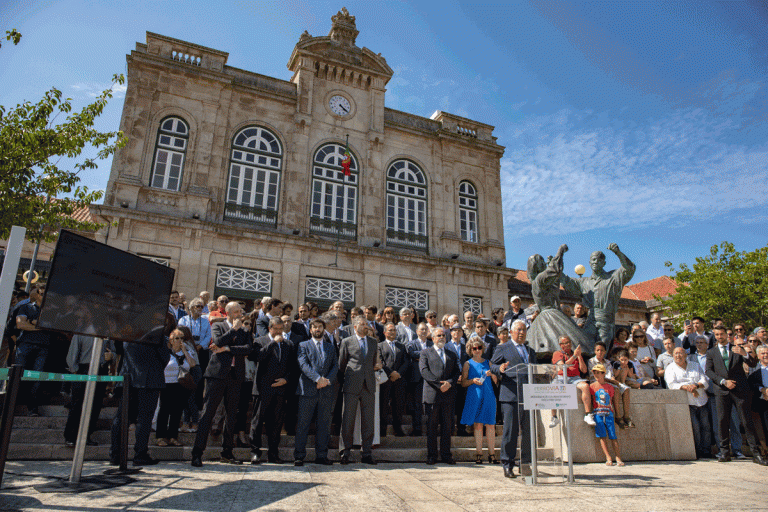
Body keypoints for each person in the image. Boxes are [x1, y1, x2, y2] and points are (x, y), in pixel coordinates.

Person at [191, 301, 252, 467]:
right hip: (217, 375)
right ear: (230, 313)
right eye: (238, 311)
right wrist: (233, 330)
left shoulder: (245, 331)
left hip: (235, 375)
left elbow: (248, 349)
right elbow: (217, 341)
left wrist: (228, 349)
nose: (241, 314)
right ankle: (197, 452)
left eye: (241, 311)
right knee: (208, 412)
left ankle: (227, 452)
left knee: (231, 414)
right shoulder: (219, 326)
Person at [110, 318, 171, 466]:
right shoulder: (157, 336)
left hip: (129, 380)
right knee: (144, 419)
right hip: (149, 381)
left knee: (121, 418)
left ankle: (115, 454)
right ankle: (140, 454)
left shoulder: (129, 334)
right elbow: (165, 358)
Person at [705, 325, 766, 465]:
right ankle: (725, 453)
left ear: (727, 335)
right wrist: (723, 382)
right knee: (722, 421)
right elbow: (709, 371)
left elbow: (752, 363)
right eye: (717, 335)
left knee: (746, 421)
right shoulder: (711, 352)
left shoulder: (737, 348)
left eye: (722, 334)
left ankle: (756, 454)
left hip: (740, 390)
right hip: (722, 390)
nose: (719, 337)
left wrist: (744, 353)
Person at [560, 243, 636, 351]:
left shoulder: (613, 278)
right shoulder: (584, 282)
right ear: (590, 263)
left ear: (604, 263)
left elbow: (629, 268)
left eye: (599, 260)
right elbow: (567, 281)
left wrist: (618, 253)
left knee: (601, 351)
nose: (595, 262)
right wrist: (554, 267)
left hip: (606, 320)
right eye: (593, 260)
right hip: (590, 320)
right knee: (584, 346)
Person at [490, 320, 537, 478]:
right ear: (511, 332)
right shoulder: (503, 348)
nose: (522, 333)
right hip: (511, 395)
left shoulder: (530, 351)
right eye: (519, 330)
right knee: (510, 432)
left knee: (528, 432)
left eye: (524, 330)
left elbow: (535, 371)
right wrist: (500, 369)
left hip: (528, 396)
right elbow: (492, 366)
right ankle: (507, 464)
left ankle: (525, 463)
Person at [526, 244, 591, 353]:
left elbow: (556, 274)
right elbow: (554, 270)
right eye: (541, 262)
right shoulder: (539, 279)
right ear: (536, 266)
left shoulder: (543, 280)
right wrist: (560, 252)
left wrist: (555, 261)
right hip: (549, 315)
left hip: (555, 313)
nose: (544, 264)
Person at [249, 316, 293, 464]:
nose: (279, 332)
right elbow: (258, 357)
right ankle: (255, 452)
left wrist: (286, 379)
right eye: (277, 329)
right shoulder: (259, 341)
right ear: (270, 328)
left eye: (282, 329)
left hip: (280, 390)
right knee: (257, 422)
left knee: (276, 424)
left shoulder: (288, 344)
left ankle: (273, 453)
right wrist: (273, 343)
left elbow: (292, 366)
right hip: (262, 390)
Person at [294, 318, 338, 466]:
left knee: (324, 425)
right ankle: (299, 455)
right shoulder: (303, 345)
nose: (317, 329)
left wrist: (326, 381)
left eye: (320, 327)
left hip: (326, 391)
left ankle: (321, 455)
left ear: (324, 330)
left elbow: (335, 366)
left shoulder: (330, 347)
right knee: (303, 424)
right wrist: (318, 379)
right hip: (307, 390)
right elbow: (303, 365)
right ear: (310, 330)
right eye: (315, 327)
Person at [338, 317, 381, 464]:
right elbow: (342, 364)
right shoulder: (347, 341)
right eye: (362, 324)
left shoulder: (373, 342)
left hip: (368, 385)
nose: (366, 326)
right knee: (348, 419)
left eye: (366, 324)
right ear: (355, 327)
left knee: (368, 420)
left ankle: (367, 453)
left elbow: (374, 362)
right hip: (351, 384)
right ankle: (345, 452)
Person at [420, 327, 459, 465]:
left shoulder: (452, 354)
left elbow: (456, 372)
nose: (442, 337)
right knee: (431, 426)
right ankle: (432, 455)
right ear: (433, 338)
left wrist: (449, 383)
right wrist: (439, 385)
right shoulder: (426, 353)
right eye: (439, 335)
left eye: (443, 335)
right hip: (432, 395)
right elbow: (424, 371)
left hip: (448, 395)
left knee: (447, 426)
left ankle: (446, 455)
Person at [64, 335, 112, 447]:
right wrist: (75, 371)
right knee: (77, 404)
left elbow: (113, 352)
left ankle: (86, 436)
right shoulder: (81, 332)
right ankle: (70, 436)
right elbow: (72, 356)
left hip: (101, 370)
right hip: (83, 369)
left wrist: (111, 356)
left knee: (95, 406)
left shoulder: (107, 334)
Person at [665, 347, 711, 459]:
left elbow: (705, 380)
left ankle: (706, 451)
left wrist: (695, 386)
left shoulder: (694, 365)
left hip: (701, 400)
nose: (678, 355)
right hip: (686, 402)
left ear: (685, 355)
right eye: (675, 353)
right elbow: (671, 385)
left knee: (706, 426)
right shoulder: (670, 368)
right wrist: (687, 387)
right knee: (694, 427)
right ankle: (697, 451)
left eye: (681, 353)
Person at [156, 329, 197, 447]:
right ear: (171, 340)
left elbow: (193, 364)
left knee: (177, 411)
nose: (180, 341)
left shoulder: (188, 351)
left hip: (181, 385)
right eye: (177, 338)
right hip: (167, 384)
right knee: (164, 411)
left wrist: (184, 350)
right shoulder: (166, 352)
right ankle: (160, 437)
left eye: (182, 338)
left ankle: (173, 436)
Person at [14, 284, 50, 416]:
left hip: (43, 347)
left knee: (37, 378)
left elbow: (50, 325)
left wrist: (32, 322)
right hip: (25, 345)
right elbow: (20, 324)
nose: (42, 296)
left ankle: (32, 408)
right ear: (36, 294)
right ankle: (12, 405)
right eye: (40, 293)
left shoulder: (50, 311)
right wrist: (39, 325)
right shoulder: (26, 307)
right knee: (17, 375)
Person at [461, 337, 498, 464]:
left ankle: (492, 454)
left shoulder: (489, 362)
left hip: (488, 395)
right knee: (478, 425)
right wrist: (472, 381)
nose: (477, 350)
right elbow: (463, 383)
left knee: (491, 424)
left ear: (483, 348)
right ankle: (479, 454)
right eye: (474, 348)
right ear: (470, 350)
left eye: (479, 348)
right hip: (475, 396)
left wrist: (492, 374)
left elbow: (497, 381)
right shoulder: (468, 364)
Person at [549, 335, 594, 427]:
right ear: (560, 345)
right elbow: (562, 366)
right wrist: (574, 356)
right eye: (565, 343)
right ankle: (554, 417)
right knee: (553, 388)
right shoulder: (557, 353)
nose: (568, 345)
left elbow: (584, 370)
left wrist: (579, 356)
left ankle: (588, 414)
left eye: (569, 342)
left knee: (585, 386)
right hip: (561, 377)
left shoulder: (576, 354)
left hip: (575, 378)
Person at [588, 342, 632, 428]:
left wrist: (614, 381)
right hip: (597, 382)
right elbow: (595, 376)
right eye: (598, 350)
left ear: (605, 352)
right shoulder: (591, 361)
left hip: (608, 381)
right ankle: (618, 417)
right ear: (595, 351)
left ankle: (626, 416)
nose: (600, 352)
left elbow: (611, 375)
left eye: (602, 350)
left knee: (626, 389)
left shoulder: (607, 362)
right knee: (615, 389)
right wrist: (613, 382)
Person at [589, 364, 624, 466]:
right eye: (594, 372)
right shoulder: (592, 386)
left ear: (604, 373)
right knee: (602, 436)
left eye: (598, 372)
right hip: (598, 413)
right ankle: (608, 457)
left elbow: (613, 401)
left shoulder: (610, 387)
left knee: (613, 436)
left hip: (608, 414)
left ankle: (618, 457)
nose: (596, 374)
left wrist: (617, 414)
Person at [379, 322, 409, 437]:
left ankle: (398, 428)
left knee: (398, 405)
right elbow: (380, 362)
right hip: (385, 380)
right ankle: (382, 430)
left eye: (394, 330)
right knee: (383, 406)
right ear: (385, 332)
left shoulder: (401, 346)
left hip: (399, 381)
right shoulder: (380, 346)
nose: (392, 332)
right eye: (390, 330)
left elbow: (406, 361)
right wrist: (390, 373)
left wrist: (398, 373)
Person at [406, 323, 432, 436]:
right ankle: (417, 428)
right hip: (417, 378)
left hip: (430, 378)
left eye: (426, 329)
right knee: (417, 404)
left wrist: (420, 356)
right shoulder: (411, 343)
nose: (424, 331)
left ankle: (431, 428)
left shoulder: (432, 343)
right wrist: (427, 354)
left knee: (430, 404)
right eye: (422, 329)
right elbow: (411, 354)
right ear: (417, 331)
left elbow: (435, 355)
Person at [747, 345, 768, 450]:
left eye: (767, 352)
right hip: (760, 402)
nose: (766, 355)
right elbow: (751, 383)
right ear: (758, 356)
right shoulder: (753, 368)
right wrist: (762, 390)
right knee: (764, 427)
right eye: (763, 353)